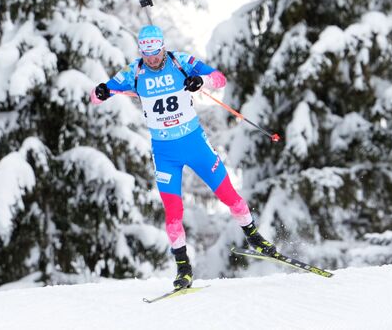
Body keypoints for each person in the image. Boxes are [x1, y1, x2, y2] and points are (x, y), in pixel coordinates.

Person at [90, 25, 276, 290]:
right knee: (173, 212)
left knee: (228, 195)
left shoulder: (181, 62)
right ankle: (183, 268)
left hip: (194, 143)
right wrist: (100, 93)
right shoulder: (134, 71)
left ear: (163, 48)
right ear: (141, 51)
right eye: (147, 54)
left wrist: (201, 81)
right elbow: (100, 94)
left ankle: (255, 237)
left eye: (155, 53)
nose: (152, 59)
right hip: (165, 153)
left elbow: (219, 78)